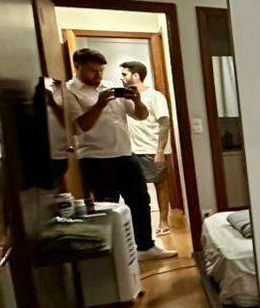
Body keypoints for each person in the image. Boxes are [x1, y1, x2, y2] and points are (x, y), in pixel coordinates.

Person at [63, 48, 176, 260]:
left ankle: (146, 247)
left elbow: (141, 116)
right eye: (92, 71)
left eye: (101, 70)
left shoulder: (110, 87)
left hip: (125, 154)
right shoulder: (69, 92)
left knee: (140, 201)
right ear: (77, 67)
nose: (98, 75)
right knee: (109, 207)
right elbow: (82, 126)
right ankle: (117, 254)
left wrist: (137, 100)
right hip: (95, 159)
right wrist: (100, 104)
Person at [119, 61, 173, 237]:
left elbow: (164, 123)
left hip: (151, 148)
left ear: (136, 76)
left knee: (160, 185)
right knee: (135, 191)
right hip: (130, 150)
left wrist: (160, 151)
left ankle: (163, 221)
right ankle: (140, 227)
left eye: (124, 74)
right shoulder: (123, 98)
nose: (121, 78)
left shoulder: (155, 96)